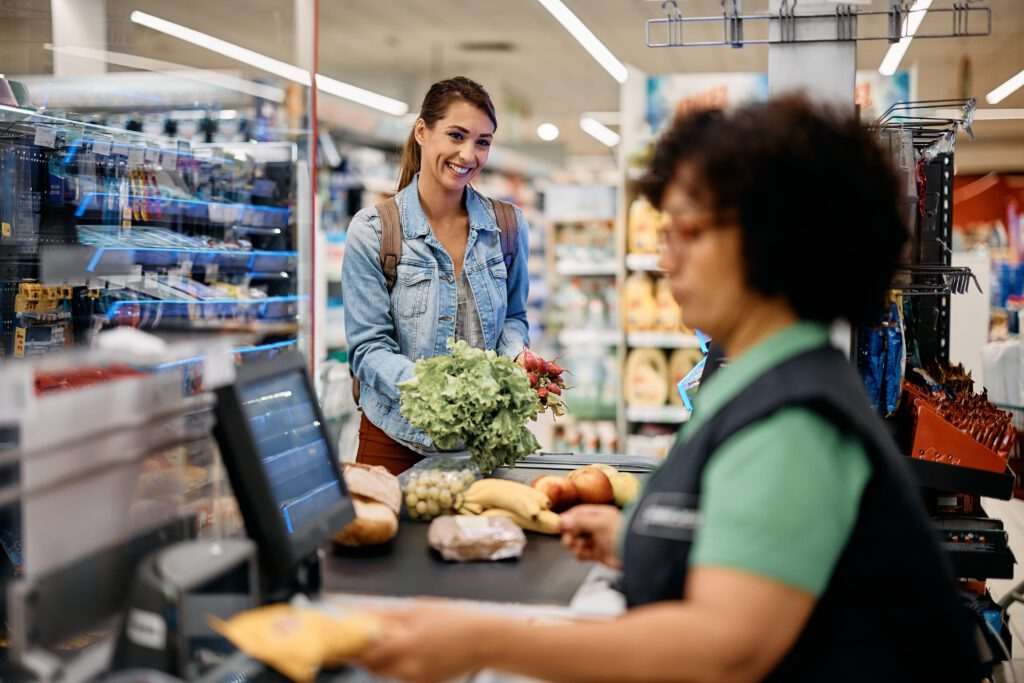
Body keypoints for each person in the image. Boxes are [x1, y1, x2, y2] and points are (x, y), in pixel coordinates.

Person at [355, 96, 984, 682]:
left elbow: (723, 651)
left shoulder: (795, 423)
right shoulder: (770, 380)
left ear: (767, 243)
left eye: (686, 231)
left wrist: (484, 641)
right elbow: (751, 546)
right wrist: (641, 536)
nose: (664, 258)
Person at [342, 77, 530, 475]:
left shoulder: (507, 227)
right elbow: (367, 349)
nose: (468, 154)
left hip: (481, 442)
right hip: (394, 440)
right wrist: (436, 389)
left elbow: (514, 317)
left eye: (483, 141)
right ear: (422, 131)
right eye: (456, 135)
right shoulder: (374, 230)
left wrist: (516, 360)